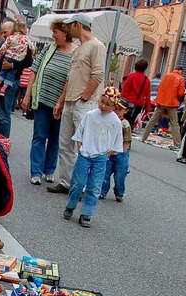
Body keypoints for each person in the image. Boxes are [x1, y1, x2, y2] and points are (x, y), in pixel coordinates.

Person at [47, 13, 106, 194]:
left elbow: (98, 74)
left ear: (78, 25)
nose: (67, 29)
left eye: (70, 26)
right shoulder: (79, 48)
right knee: (66, 144)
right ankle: (66, 181)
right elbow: (70, 77)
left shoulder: (96, 46)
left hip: (84, 103)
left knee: (84, 146)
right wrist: (60, 101)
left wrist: (85, 96)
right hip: (71, 101)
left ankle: (81, 186)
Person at [21, 19, 75, 185]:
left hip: (62, 104)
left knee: (55, 139)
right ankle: (36, 171)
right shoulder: (48, 49)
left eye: (56, 32)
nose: (53, 35)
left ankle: (49, 170)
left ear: (65, 33)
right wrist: (27, 95)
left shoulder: (75, 53)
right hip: (43, 100)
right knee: (39, 136)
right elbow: (34, 71)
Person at [62, 86, 123, 228]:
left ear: (114, 106)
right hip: (85, 154)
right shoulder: (90, 115)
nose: (103, 106)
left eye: (108, 104)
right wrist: (80, 147)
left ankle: (87, 213)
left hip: (101, 157)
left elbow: (116, 142)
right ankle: (70, 206)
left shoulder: (115, 122)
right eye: (102, 102)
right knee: (78, 182)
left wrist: (108, 153)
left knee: (95, 186)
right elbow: (80, 132)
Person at [140, 66, 186, 148]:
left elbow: (159, 88)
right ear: (180, 71)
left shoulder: (166, 76)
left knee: (153, 119)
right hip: (172, 103)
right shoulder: (181, 78)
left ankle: (144, 137)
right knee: (174, 123)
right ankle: (177, 143)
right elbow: (180, 93)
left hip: (161, 101)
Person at [100, 98, 131, 202]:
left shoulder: (125, 124)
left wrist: (119, 151)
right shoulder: (110, 120)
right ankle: (102, 191)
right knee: (105, 173)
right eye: (116, 108)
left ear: (125, 111)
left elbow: (126, 142)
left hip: (121, 153)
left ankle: (119, 192)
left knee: (120, 175)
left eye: (120, 109)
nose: (117, 111)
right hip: (108, 151)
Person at [0, 20, 30, 97]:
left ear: (12, 29)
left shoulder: (20, 41)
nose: (3, 35)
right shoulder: (24, 40)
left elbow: (28, 61)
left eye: (5, 32)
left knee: (4, 107)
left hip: (13, 80)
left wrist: (12, 65)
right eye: (2, 33)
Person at [121, 57, 151, 127]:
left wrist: (121, 100)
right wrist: (147, 108)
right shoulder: (147, 80)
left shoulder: (131, 76)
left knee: (123, 120)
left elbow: (125, 90)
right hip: (138, 104)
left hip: (128, 102)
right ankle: (128, 133)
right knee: (132, 121)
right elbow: (148, 95)